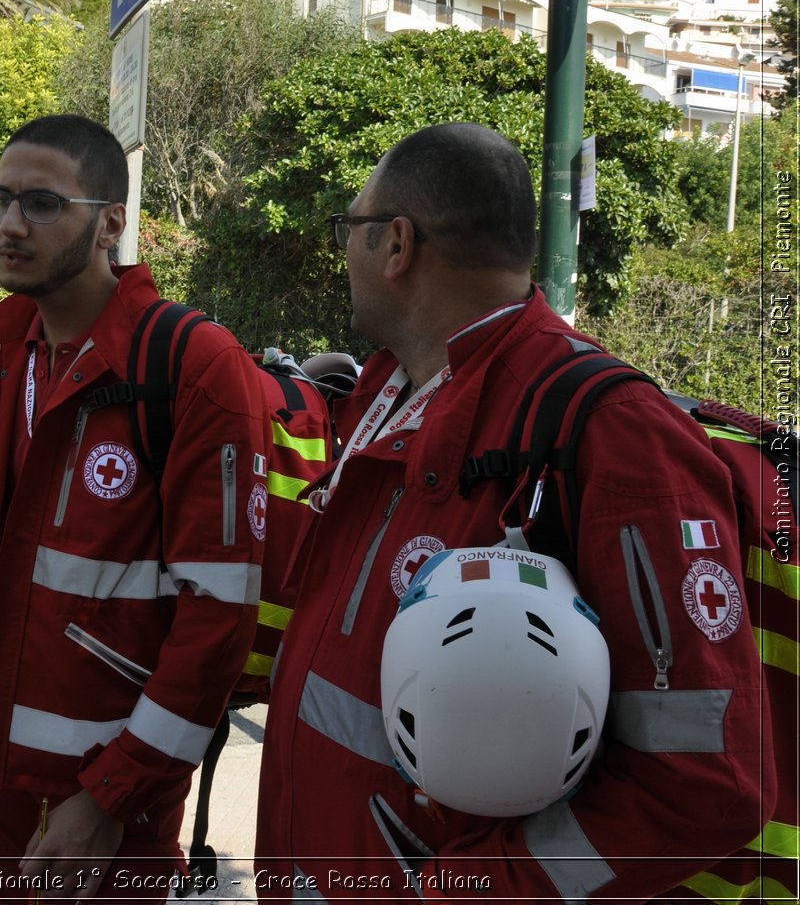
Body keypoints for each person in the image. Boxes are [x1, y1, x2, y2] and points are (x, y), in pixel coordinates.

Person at [255, 122, 774, 899]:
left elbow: (707, 783)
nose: (345, 252)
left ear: (397, 245)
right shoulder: (386, 395)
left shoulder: (612, 433)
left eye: (352, 229)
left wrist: (474, 887)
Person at [0, 114, 279, 901]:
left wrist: (113, 796)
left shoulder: (195, 365)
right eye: (2, 198)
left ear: (111, 221)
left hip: (106, 809)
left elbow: (219, 616)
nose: (10, 224)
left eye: (43, 204)